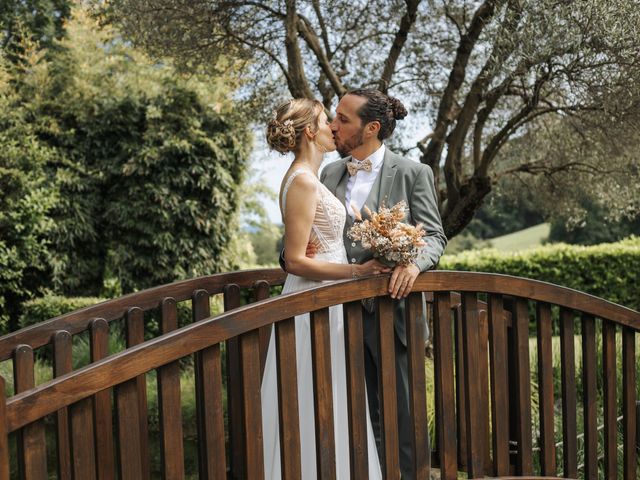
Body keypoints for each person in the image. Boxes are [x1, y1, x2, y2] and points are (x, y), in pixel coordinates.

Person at [320, 89, 447, 479]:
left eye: (342, 119)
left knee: (402, 413)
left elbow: (434, 237)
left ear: (371, 128)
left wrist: (413, 264)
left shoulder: (413, 172)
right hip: (340, 314)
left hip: (395, 314)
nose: (332, 125)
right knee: (350, 410)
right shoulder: (329, 173)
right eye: (333, 117)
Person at [262, 98, 389, 479]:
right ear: (308, 132)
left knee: (334, 396)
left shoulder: (309, 176)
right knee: (312, 396)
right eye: (324, 121)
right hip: (315, 299)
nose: (333, 127)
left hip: (328, 298)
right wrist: (359, 273)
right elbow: (297, 260)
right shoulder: (301, 180)